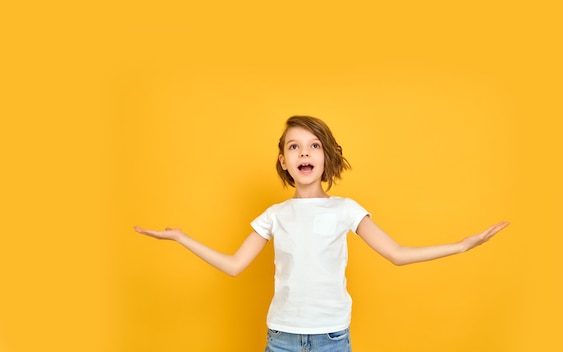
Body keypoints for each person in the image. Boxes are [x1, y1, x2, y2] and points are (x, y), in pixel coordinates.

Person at [135, 115, 510, 352]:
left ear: (326, 157)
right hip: (281, 337)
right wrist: (183, 239)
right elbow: (234, 266)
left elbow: (396, 254)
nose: (305, 152)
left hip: (331, 337)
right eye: (294, 146)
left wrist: (462, 246)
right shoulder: (274, 215)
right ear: (284, 160)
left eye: (314, 145)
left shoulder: (345, 209)